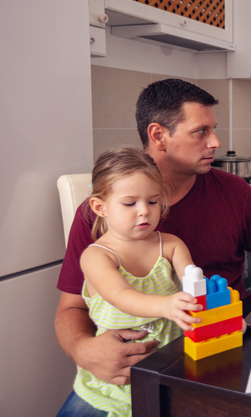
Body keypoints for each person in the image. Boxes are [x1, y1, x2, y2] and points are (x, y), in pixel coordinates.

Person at [55, 79, 251, 413]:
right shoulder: (98, 220)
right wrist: (82, 349)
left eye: (214, 129)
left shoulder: (234, 192)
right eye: (201, 131)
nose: (216, 142)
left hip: (219, 351)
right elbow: (71, 308)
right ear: (158, 135)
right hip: (128, 370)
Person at [71, 147, 205, 416]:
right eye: (130, 203)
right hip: (117, 383)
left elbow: (196, 284)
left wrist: (221, 317)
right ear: (100, 207)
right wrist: (166, 306)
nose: (144, 211)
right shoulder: (96, 256)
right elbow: (120, 295)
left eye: (153, 202)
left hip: (170, 372)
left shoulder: (170, 245)